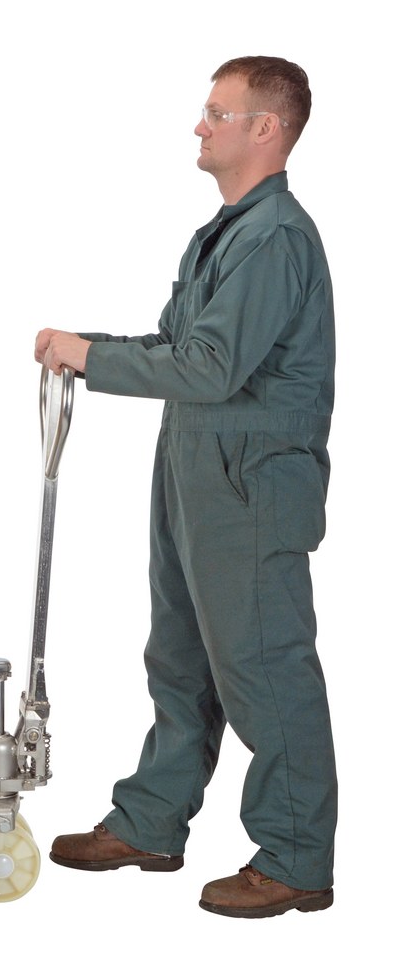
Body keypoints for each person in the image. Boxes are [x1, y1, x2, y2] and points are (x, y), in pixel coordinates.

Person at [36, 56, 335, 918]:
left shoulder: (274, 239)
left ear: (265, 129)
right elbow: (178, 347)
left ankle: (294, 857)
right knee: (179, 658)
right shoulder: (225, 234)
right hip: (195, 469)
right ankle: (152, 820)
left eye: (217, 112)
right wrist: (85, 349)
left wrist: (90, 359)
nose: (199, 126)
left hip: (250, 484)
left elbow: (208, 368)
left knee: (263, 668)